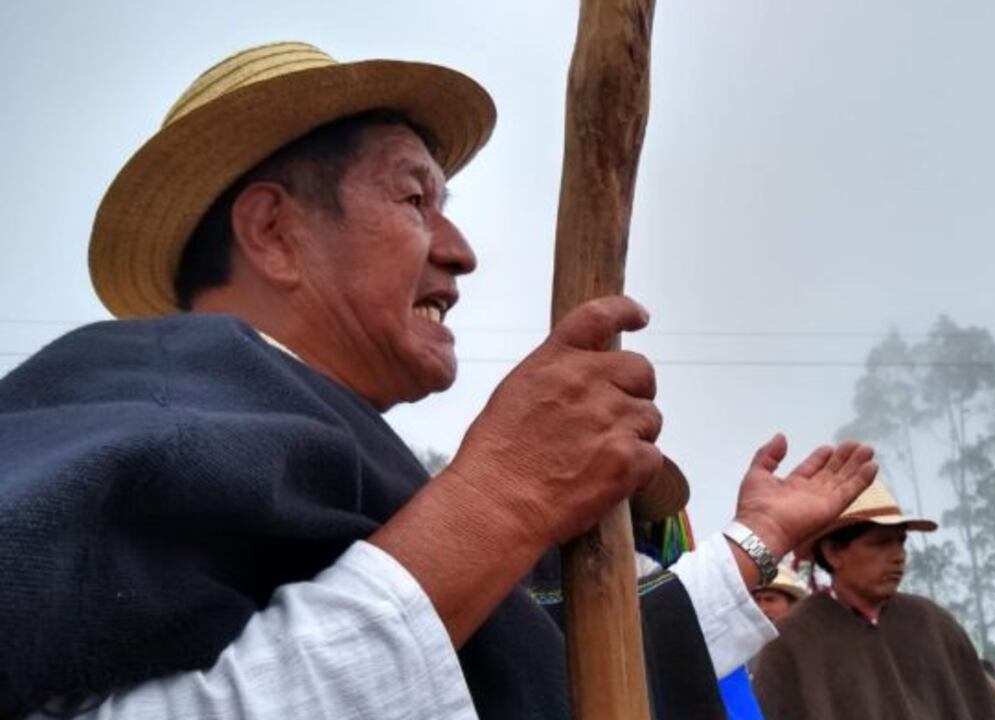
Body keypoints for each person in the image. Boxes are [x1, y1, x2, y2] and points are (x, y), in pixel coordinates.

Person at [0, 42, 881, 719]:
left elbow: (525, 667)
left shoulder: (352, 472)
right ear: (272, 233)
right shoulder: (133, 395)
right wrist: (500, 499)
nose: (459, 253)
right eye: (415, 200)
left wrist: (756, 540)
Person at [751, 479, 995, 720]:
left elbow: (982, 706)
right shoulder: (793, 640)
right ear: (833, 552)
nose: (898, 556)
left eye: (901, 542)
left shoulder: (933, 624)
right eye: (881, 543)